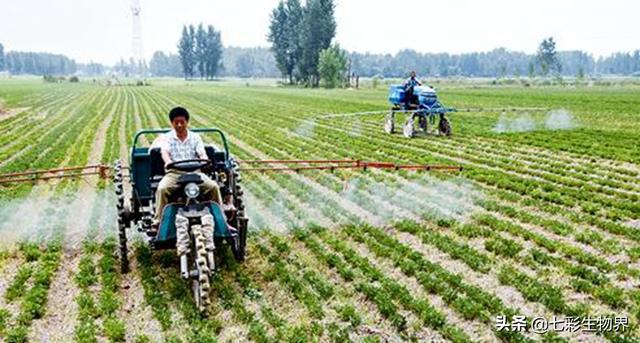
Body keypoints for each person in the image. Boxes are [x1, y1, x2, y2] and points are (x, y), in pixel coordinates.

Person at [151, 106, 222, 230]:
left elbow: (202, 153)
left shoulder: (195, 137)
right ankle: (158, 222)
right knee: (162, 189)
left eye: (182, 122)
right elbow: (165, 152)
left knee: (213, 187)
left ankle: (220, 218)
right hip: (175, 173)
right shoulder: (167, 138)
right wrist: (168, 162)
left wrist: (204, 159)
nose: (179, 125)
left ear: (187, 122)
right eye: (176, 122)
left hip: (195, 171)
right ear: (171, 123)